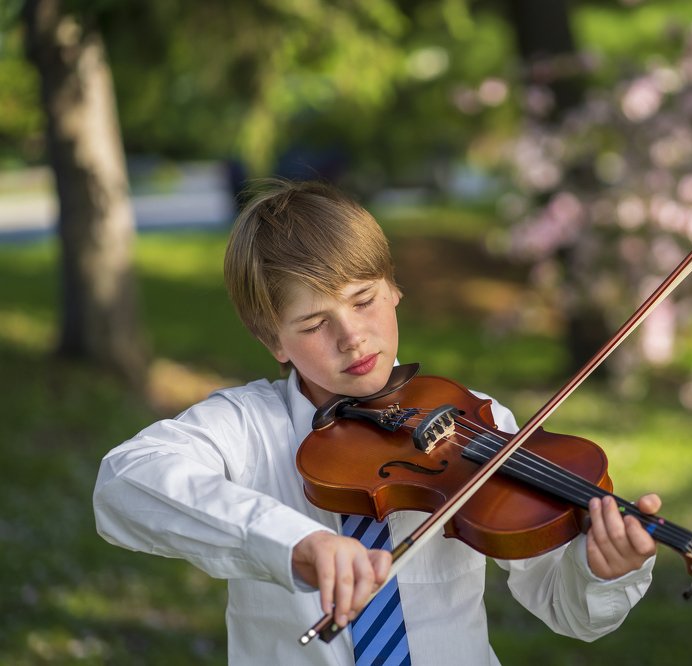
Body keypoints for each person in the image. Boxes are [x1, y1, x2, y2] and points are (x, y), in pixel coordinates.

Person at [93, 179, 660, 665]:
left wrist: (599, 572)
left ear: (393, 288)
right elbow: (125, 481)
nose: (352, 337)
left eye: (363, 300)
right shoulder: (248, 426)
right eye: (314, 323)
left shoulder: (476, 421)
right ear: (274, 341)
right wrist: (291, 540)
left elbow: (568, 609)